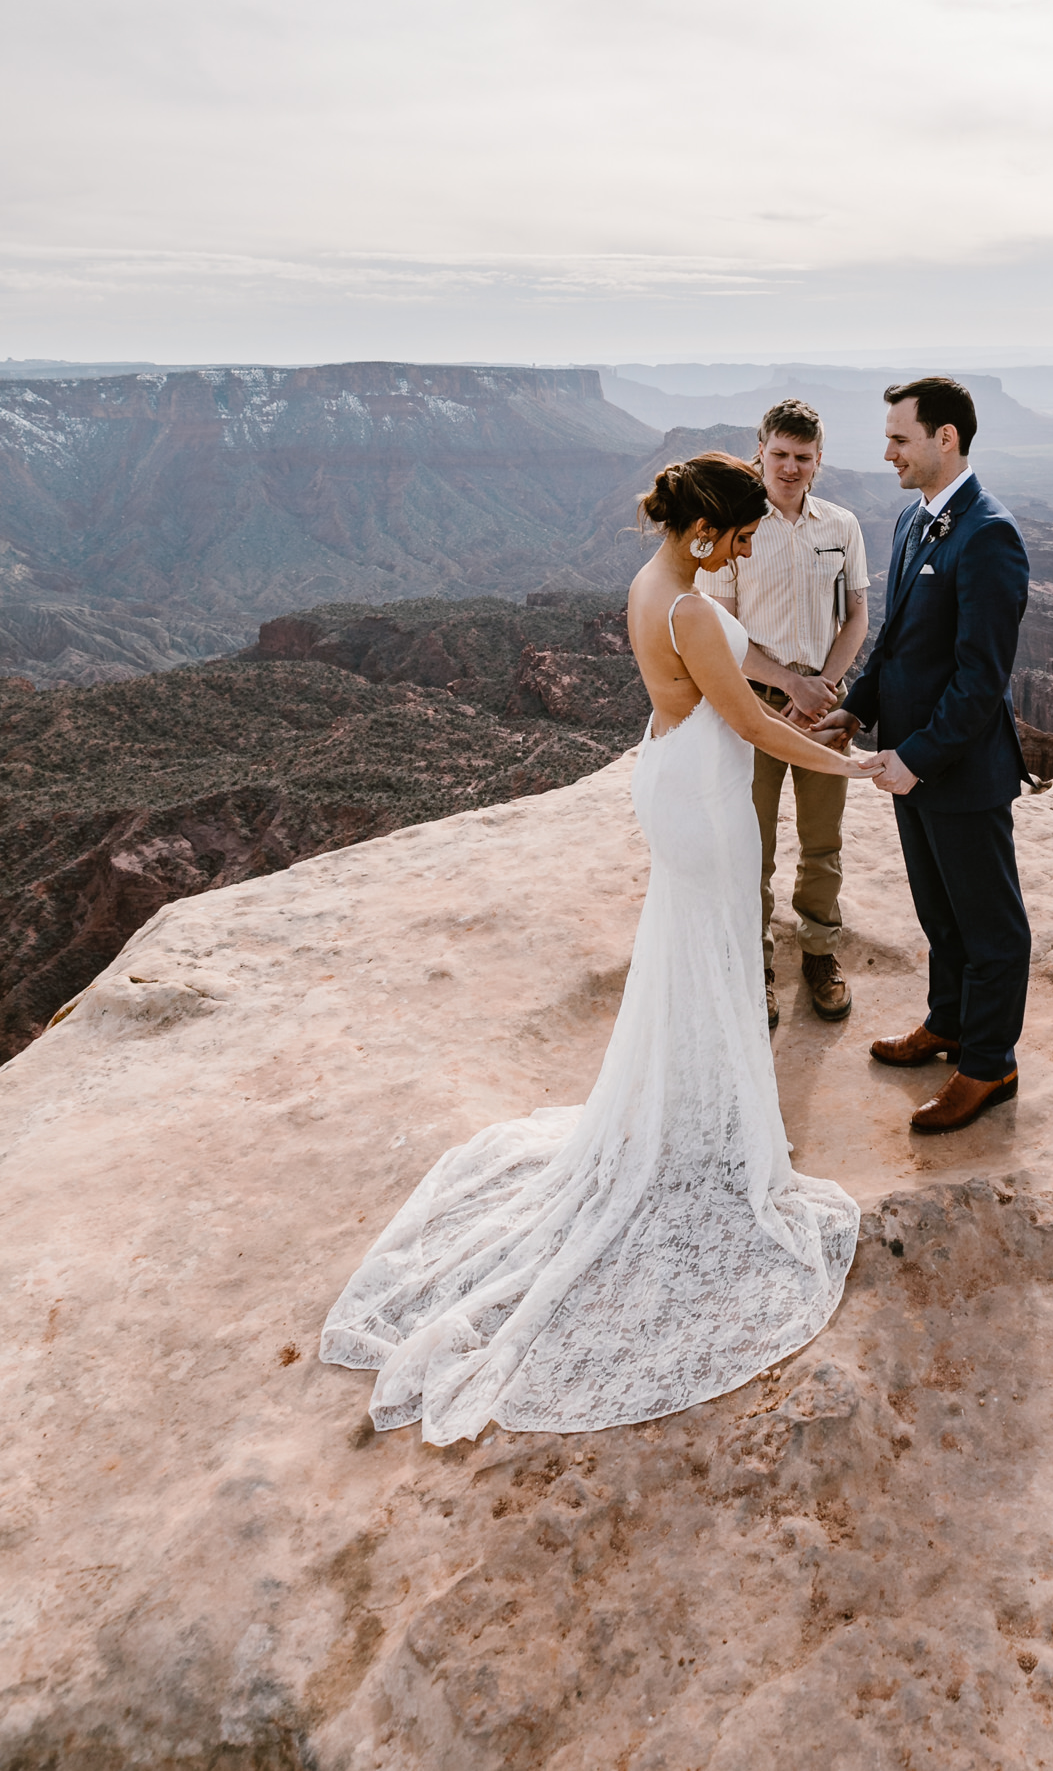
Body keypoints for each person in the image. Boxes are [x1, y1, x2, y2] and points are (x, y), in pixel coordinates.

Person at [320, 452, 881, 1442]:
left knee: (695, 956)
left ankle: (693, 1119)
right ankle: (707, 1143)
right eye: (742, 533)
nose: (751, 546)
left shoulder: (657, 584)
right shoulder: (695, 610)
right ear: (708, 530)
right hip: (705, 795)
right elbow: (745, 717)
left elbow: (746, 676)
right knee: (708, 953)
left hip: (671, 771)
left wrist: (795, 686)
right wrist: (854, 762)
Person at [820, 378, 1034, 1136]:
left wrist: (917, 756)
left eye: (899, 439)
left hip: (959, 773)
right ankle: (947, 1025)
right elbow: (898, 643)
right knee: (940, 917)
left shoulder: (987, 534)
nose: (887, 453)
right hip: (910, 769)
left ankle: (988, 1067)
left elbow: (981, 680)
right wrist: (858, 708)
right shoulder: (917, 521)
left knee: (989, 927)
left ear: (946, 438)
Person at [700, 397, 869, 1031]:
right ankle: (757, 964)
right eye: (779, 455)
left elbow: (856, 615)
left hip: (826, 707)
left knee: (823, 842)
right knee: (755, 846)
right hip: (754, 706)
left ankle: (821, 956)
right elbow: (718, 633)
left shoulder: (840, 526)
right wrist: (788, 685)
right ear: (760, 451)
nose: (790, 468)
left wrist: (823, 685)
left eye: (803, 458)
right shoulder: (737, 527)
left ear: (819, 460)